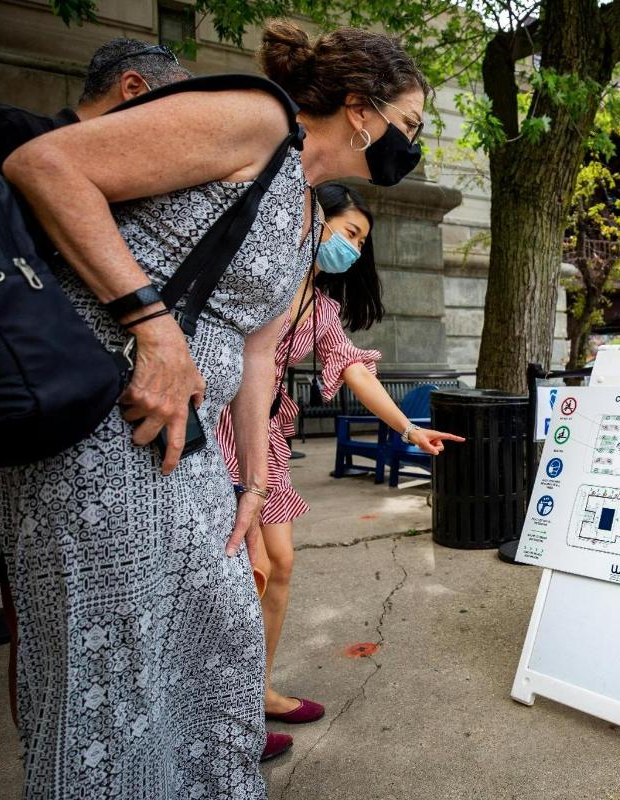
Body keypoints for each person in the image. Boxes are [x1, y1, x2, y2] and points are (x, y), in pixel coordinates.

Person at [0, 20, 429, 799]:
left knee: (221, 636)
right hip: (106, 427)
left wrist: (253, 484)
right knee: (115, 666)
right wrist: (152, 329)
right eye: (411, 124)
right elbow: (43, 164)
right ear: (361, 108)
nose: (411, 144)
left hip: (192, 448)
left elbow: (258, 357)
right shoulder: (255, 120)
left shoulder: (302, 207)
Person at [0, 38, 190, 799]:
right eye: (173, 112)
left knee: (44, 650)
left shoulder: (126, 193)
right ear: (135, 89)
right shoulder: (4, 136)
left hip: (62, 456)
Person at [216, 184, 462, 760]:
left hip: (270, 434)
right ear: (311, 218)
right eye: (349, 232)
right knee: (248, 568)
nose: (352, 248)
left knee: (280, 564)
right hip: (224, 424)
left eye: (360, 242)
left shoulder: (320, 309)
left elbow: (355, 371)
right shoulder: (257, 276)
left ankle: (258, 691)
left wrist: (408, 429)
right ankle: (223, 716)